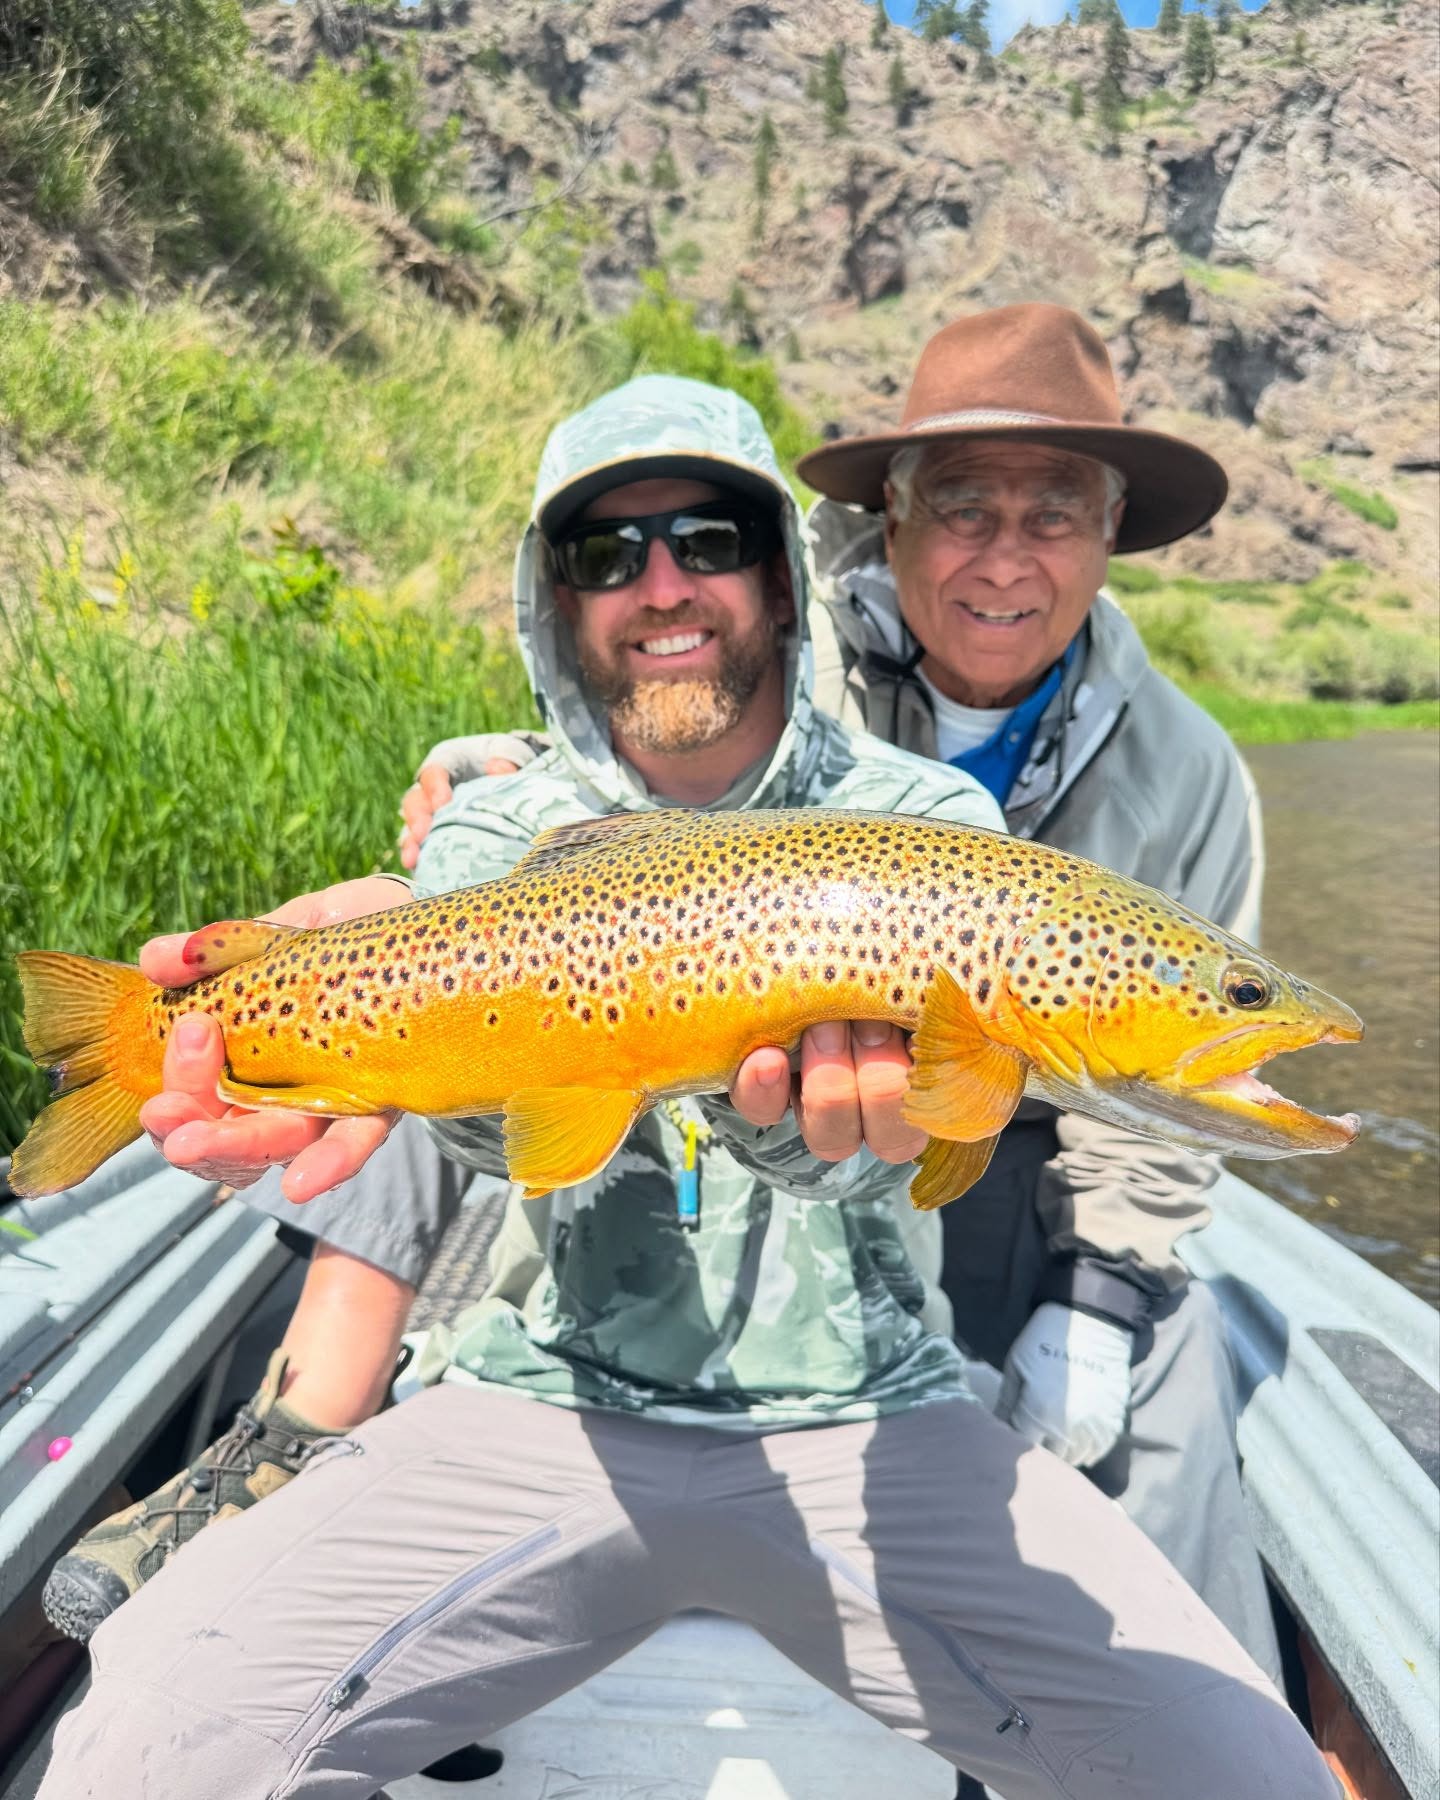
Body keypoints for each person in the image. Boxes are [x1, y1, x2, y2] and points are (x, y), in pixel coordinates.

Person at [36, 375, 1335, 1799]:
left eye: (709, 538)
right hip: (543, 1402)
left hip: (877, 1419)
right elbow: (505, 1136)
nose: (663, 584)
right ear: (557, 598)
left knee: (1241, 1769)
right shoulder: (498, 829)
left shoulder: (932, 829)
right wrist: (318, 1051)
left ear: (781, 579)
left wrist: (834, 1140)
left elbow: (881, 1152)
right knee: (138, 1754)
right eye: (607, 552)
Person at [384, 306, 1282, 1687]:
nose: (1004, 556)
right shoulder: (797, 656)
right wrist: (497, 785)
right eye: (964, 508)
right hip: (774, 1084)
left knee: (1180, 1386)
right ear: (888, 528)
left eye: (1054, 515)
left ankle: (1176, 1683)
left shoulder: (1194, 770)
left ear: (1112, 538)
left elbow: (1166, 1102)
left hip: (1052, 1150)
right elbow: (662, 734)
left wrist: (1094, 1310)